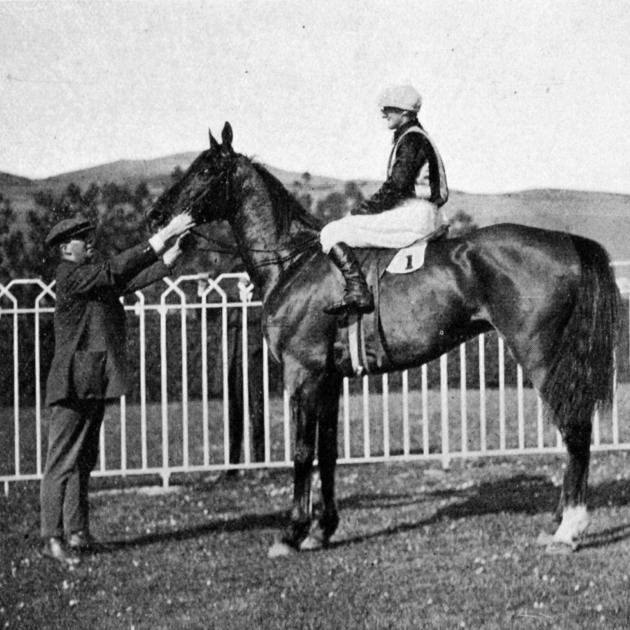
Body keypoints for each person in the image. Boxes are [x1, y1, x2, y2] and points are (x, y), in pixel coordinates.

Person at [40, 212, 194, 566]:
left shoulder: (87, 277)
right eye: (83, 239)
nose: (90, 242)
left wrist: (171, 255)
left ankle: (77, 533)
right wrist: (163, 235)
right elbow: (115, 271)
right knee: (61, 463)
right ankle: (51, 538)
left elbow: (125, 281)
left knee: (82, 460)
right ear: (66, 250)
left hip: (88, 379)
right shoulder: (72, 276)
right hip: (73, 382)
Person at [319, 84, 449, 315]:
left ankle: (357, 289)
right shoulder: (413, 137)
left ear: (406, 113)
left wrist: (361, 211)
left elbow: (395, 188)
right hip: (425, 213)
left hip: (414, 215)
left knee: (331, 232)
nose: (384, 113)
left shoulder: (411, 140)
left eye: (390, 109)